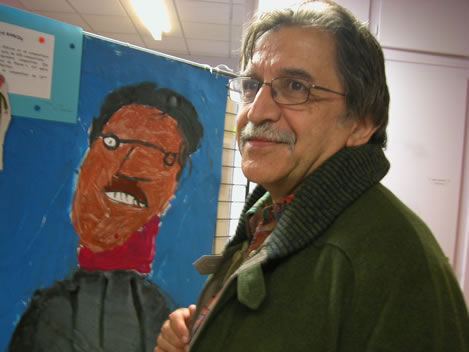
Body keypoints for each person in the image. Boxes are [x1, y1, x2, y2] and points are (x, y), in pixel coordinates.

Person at [155, 1, 469, 351]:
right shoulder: (271, 215)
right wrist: (202, 332)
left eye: (295, 87)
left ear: (362, 122)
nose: (257, 111)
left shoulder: (393, 262)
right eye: (252, 85)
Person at [9, 82, 203, 352]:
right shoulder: (46, 307)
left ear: (172, 192)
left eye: (164, 158)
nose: (132, 166)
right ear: (87, 154)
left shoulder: (163, 321)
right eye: (114, 143)